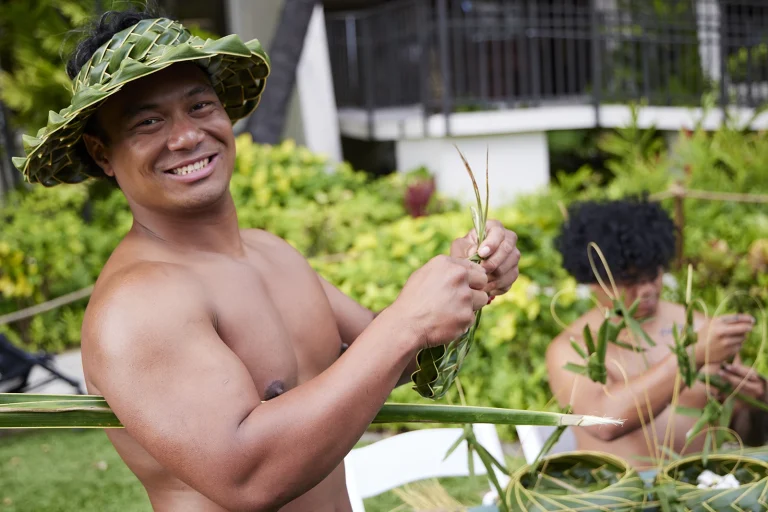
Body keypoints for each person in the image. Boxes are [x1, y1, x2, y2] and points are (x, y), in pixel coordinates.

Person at [13, 8, 522, 512]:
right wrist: (408, 322)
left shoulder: (270, 252)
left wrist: (468, 280)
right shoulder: (138, 304)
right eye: (148, 121)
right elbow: (247, 477)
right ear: (103, 154)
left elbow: (397, 357)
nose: (187, 136)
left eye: (200, 106)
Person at [546, 196, 766, 469]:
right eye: (630, 281)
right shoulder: (570, 347)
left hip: (699, 491)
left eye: (652, 276)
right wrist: (690, 357)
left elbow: (745, 437)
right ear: (595, 280)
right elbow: (604, 422)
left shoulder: (698, 326)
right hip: (617, 499)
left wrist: (753, 403)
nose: (647, 290)